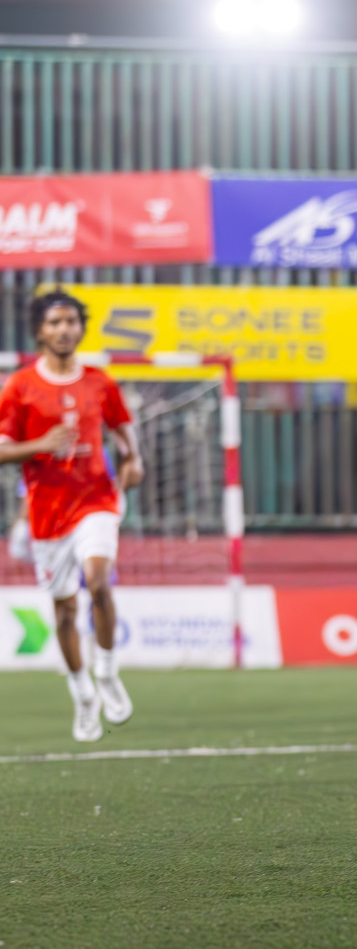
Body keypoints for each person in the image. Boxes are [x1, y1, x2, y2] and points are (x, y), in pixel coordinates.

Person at [0, 291, 143, 742]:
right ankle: (82, 693)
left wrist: (133, 460)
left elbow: (123, 431)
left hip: (96, 500)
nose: (64, 329)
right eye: (54, 323)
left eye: (70, 322)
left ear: (80, 328)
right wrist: (39, 446)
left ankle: (107, 672)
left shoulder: (101, 383)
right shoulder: (19, 387)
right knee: (64, 613)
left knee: (98, 583)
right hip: (47, 513)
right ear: (39, 331)